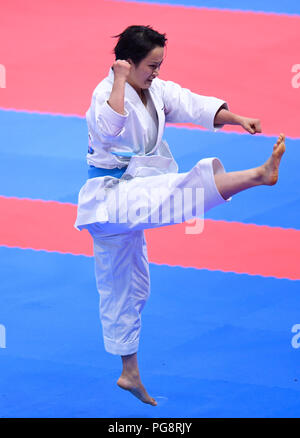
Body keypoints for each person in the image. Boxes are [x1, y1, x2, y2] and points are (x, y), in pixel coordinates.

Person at [74, 25, 285, 406]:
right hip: (109, 198)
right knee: (179, 192)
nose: (156, 72)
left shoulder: (156, 91)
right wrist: (120, 80)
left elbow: (191, 103)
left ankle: (129, 371)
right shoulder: (105, 93)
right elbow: (108, 129)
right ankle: (258, 175)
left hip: (131, 196)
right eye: (150, 65)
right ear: (127, 63)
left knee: (130, 287)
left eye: (159, 65)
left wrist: (236, 118)